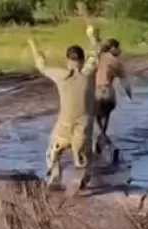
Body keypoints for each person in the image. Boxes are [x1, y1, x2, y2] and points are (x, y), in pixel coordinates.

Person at [28, 24, 104, 191]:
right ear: (82, 60)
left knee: (52, 152)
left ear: (67, 60)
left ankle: (54, 173)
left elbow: (41, 66)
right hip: (82, 129)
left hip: (63, 128)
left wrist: (38, 54)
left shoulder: (60, 75)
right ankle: (84, 175)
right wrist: (92, 35)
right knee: (85, 156)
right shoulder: (89, 72)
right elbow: (97, 49)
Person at [94, 37, 132, 157]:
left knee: (95, 116)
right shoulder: (116, 62)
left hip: (95, 91)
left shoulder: (98, 57)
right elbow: (124, 82)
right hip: (108, 92)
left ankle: (100, 139)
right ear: (113, 48)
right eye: (118, 48)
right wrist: (129, 96)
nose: (120, 50)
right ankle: (104, 138)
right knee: (106, 116)